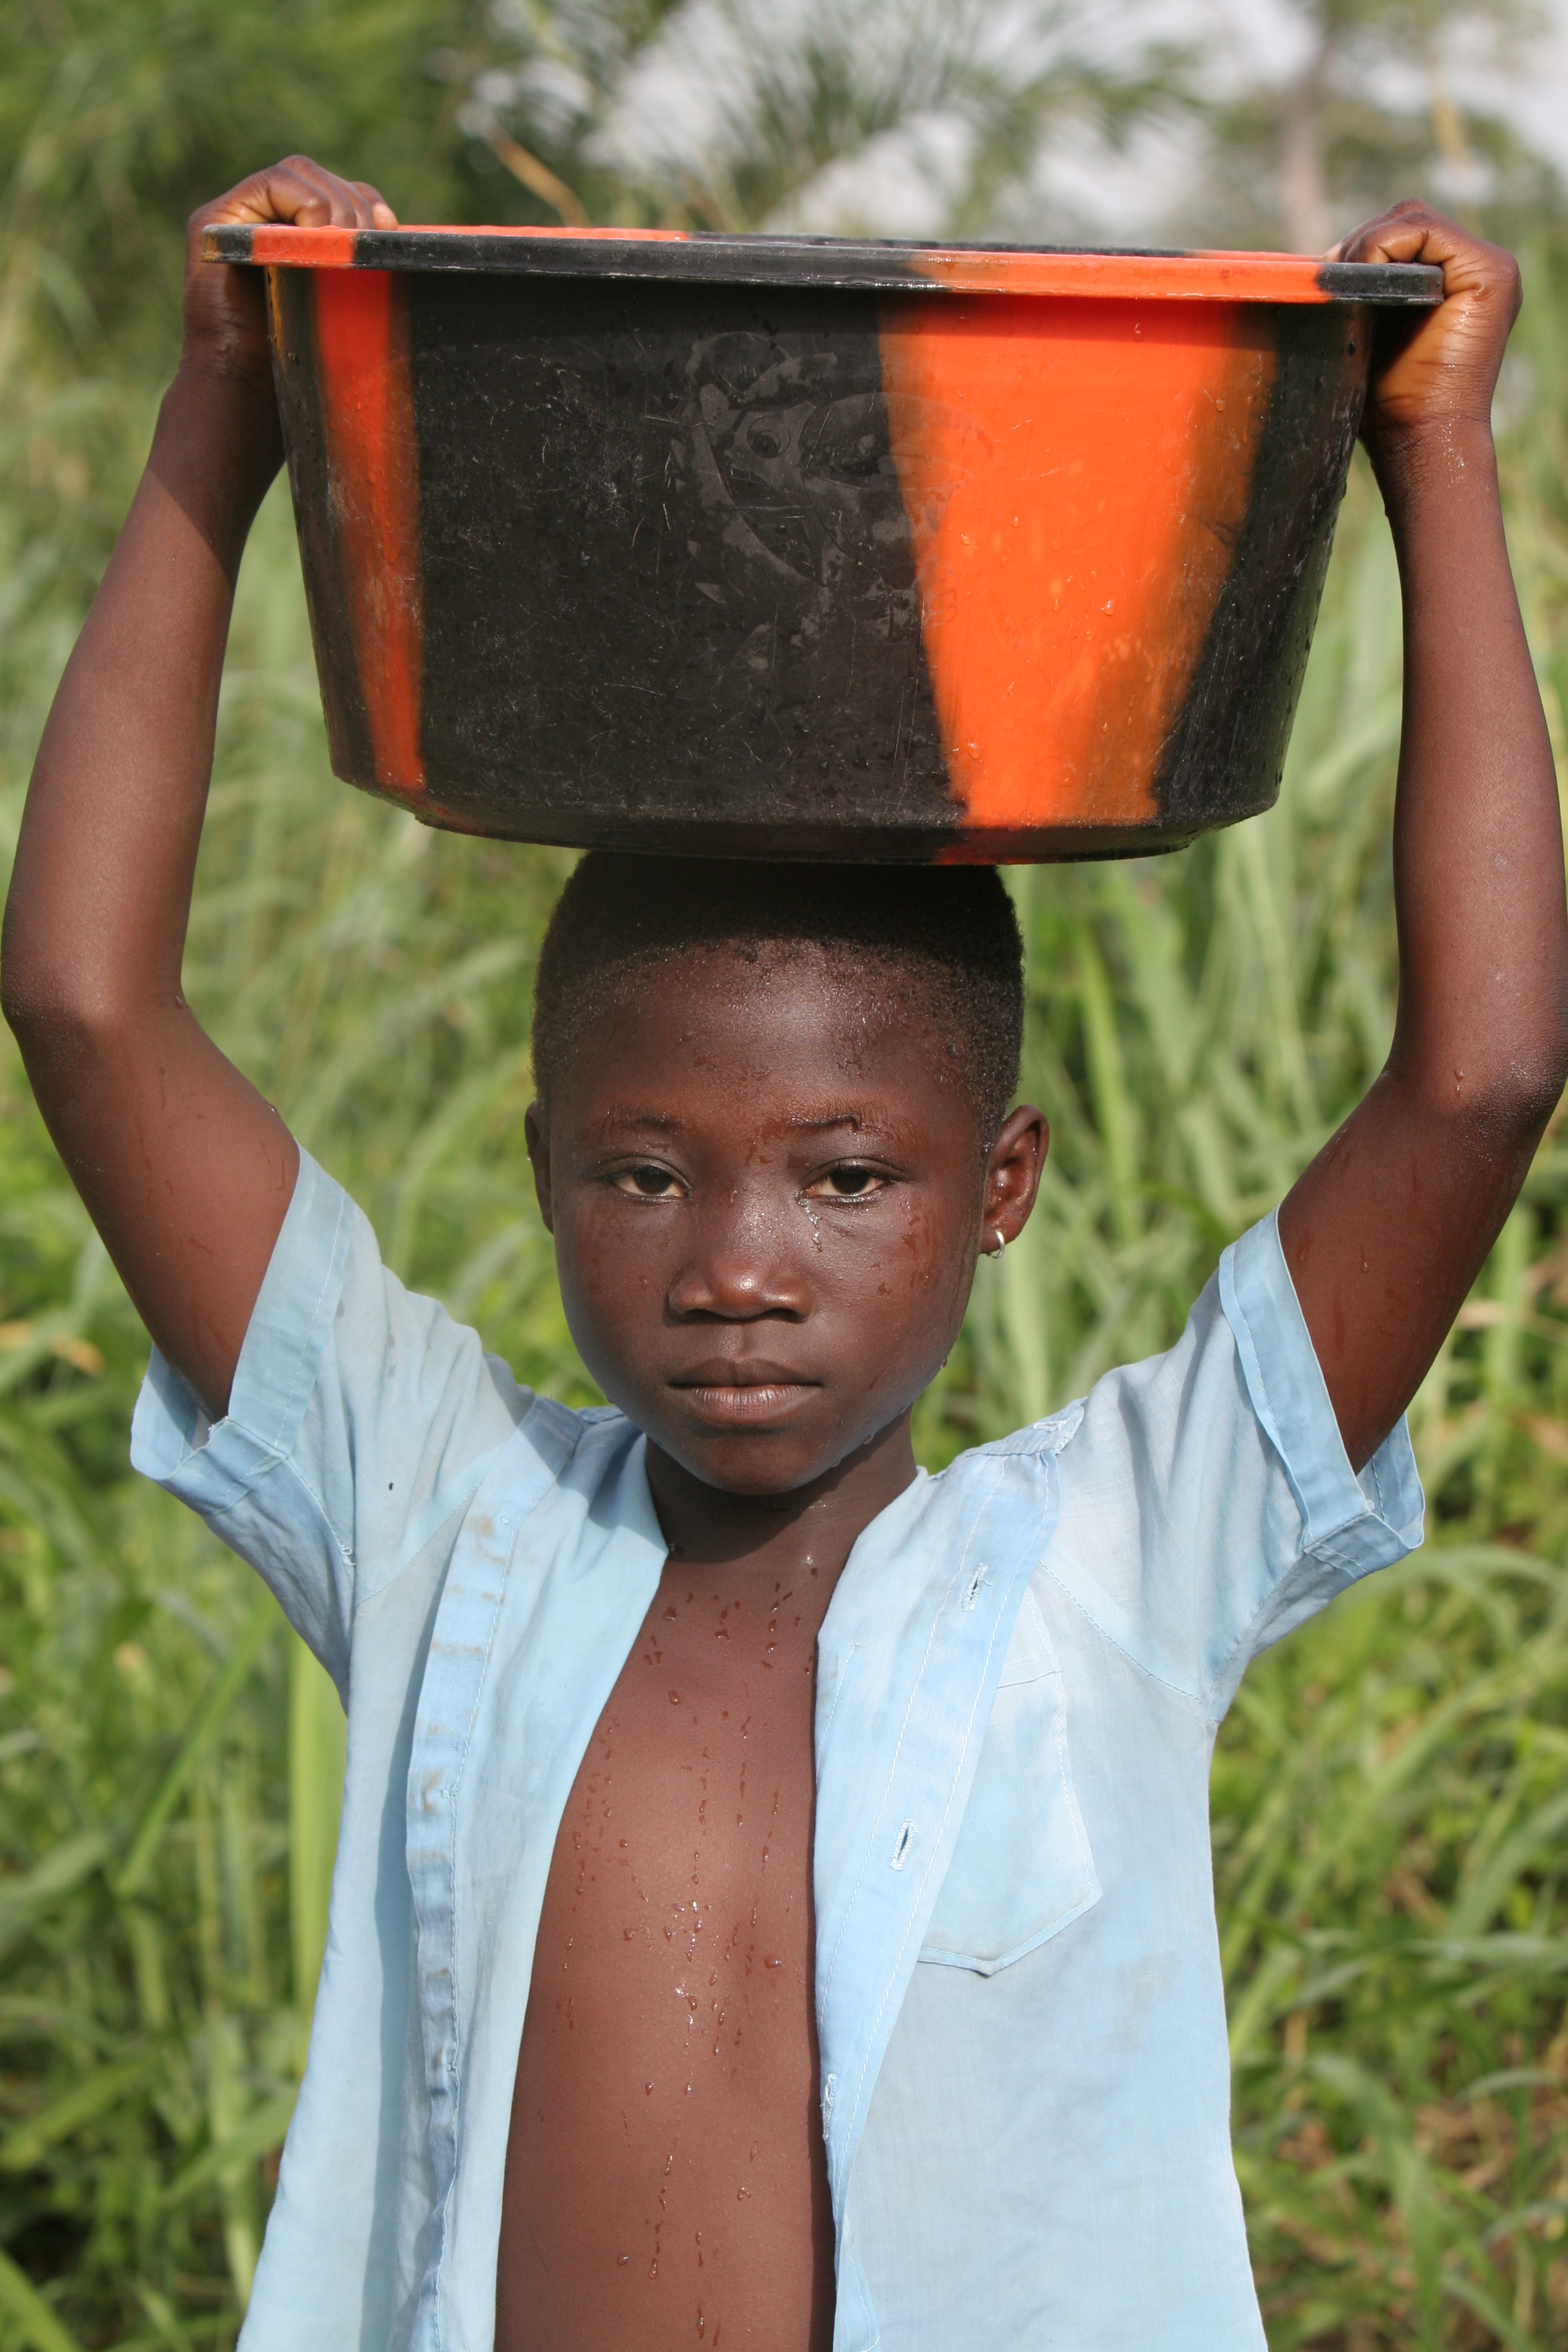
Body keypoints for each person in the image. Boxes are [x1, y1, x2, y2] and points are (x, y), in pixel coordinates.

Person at [2, 154, 1563, 2352]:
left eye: (847, 1177)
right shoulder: (450, 1518)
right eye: (648, 1174)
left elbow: (1479, 1081)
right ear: (546, 1169)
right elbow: (87, 1000)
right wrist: (223, 411)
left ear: (999, 1186)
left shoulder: (1118, 1561)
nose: (741, 1262)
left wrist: (1432, 454)